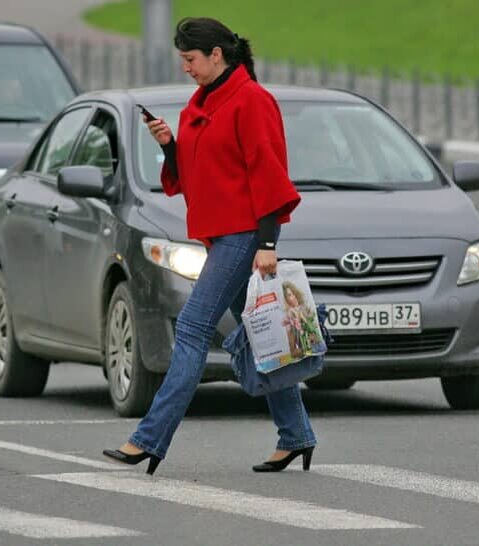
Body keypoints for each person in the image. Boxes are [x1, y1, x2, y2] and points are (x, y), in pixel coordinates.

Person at [103, 17, 317, 475]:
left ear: (216, 55)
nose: (186, 68)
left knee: (193, 328)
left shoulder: (252, 101)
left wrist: (267, 242)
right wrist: (170, 148)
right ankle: (296, 435)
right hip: (221, 235)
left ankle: (149, 439)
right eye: (183, 59)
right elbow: (202, 174)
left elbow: (268, 173)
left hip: (244, 237)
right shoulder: (200, 105)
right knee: (264, 337)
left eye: (190, 59)